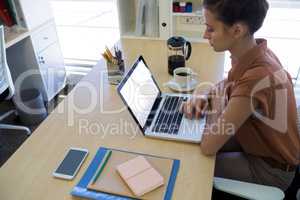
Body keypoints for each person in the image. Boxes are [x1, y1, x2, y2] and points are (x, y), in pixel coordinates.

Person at [182, 0, 300, 191]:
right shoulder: (253, 53)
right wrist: (204, 95)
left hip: (270, 169)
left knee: (193, 165)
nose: (205, 35)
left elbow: (208, 146)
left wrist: (216, 106)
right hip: (255, 141)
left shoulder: (257, 77)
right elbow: (227, 85)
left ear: (237, 31)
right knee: (190, 142)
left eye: (211, 29)